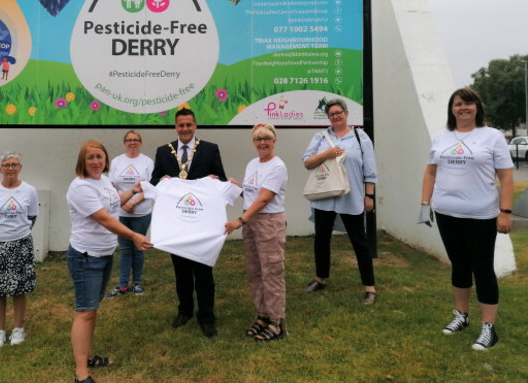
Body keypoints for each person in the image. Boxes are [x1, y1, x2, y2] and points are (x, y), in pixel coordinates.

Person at [419, 87, 513, 351]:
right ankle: (461, 316)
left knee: (482, 269)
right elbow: (430, 172)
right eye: (458, 104)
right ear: (452, 108)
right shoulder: (442, 136)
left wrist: (504, 212)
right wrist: (424, 204)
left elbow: (506, 177)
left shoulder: (492, 136)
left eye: (469, 104)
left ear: (477, 108)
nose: (464, 108)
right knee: (459, 266)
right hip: (447, 214)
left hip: (481, 215)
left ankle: (488, 328)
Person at [67, 140, 152, 383]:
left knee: (92, 310)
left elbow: (115, 204)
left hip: (104, 254)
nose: (96, 161)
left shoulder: (103, 181)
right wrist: (134, 235)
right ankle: (81, 373)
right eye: (90, 157)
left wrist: (133, 190)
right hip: (86, 256)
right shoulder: (80, 187)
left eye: (100, 157)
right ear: (82, 161)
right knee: (84, 312)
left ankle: (89, 356)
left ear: (106, 160)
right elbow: (104, 218)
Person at [150, 108, 227, 338]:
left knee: (204, 271)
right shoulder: (163, 151)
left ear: (195, 126)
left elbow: (221, 179)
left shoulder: (209, 149)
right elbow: (154, 180)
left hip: (202, 224)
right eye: (181, 125)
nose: (185, 129)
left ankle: (207, 316)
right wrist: (160, 180)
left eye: (189, 125)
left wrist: (216, 180)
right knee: (181, 271)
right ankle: (184, 311)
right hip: (178, 224)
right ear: (176, 127)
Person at [301, 98, 378, 304]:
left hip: (350, 197)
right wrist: (327, 153)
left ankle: (369, 287)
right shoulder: (321, 137)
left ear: (346, 113)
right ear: (328, 117)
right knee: (321, 240)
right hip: (324, 197)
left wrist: (368, 195)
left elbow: (369, 171)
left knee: (360, 242)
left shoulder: (361, 138)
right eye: (331, 114)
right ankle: (320, 278)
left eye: (339, 113)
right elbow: (307, 162)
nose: (336, 116)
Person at [224, 123, 288, 342]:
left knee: (271, 272)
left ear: (274, 141)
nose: (262, 143)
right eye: (258, 139)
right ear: (253, 142)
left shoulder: (277, 166)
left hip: (268, 223)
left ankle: (277, 321)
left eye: (266, 139)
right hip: (252, 222)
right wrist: (234, 186)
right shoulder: (253, 164)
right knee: (255, 271)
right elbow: (251, 194)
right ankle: (262, 315)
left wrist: (240, 220)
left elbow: (264, 199)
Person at [0, 151, 39, 348]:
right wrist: (1, 234)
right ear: (0, 169)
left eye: (14, 164)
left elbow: (32, 218)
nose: (10, 168)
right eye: (6, 165)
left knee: (19, 288)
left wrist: (15, 232)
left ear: (20, 168)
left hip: (21, 244)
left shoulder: (29, 190)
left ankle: (18, 329)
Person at [106, 131, 154, 297]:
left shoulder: (147, 162)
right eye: (129, 140)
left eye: (135, 140)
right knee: (125, 249)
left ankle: (137, 283)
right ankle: (122, 285)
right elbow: (110, 186)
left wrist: (133, 202)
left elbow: (150, 188)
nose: (132, 142)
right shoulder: (117, 161)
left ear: (140, 142)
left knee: (138, 248)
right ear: (124, 142)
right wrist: (124, 203)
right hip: (121, 212)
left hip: (141, 212)